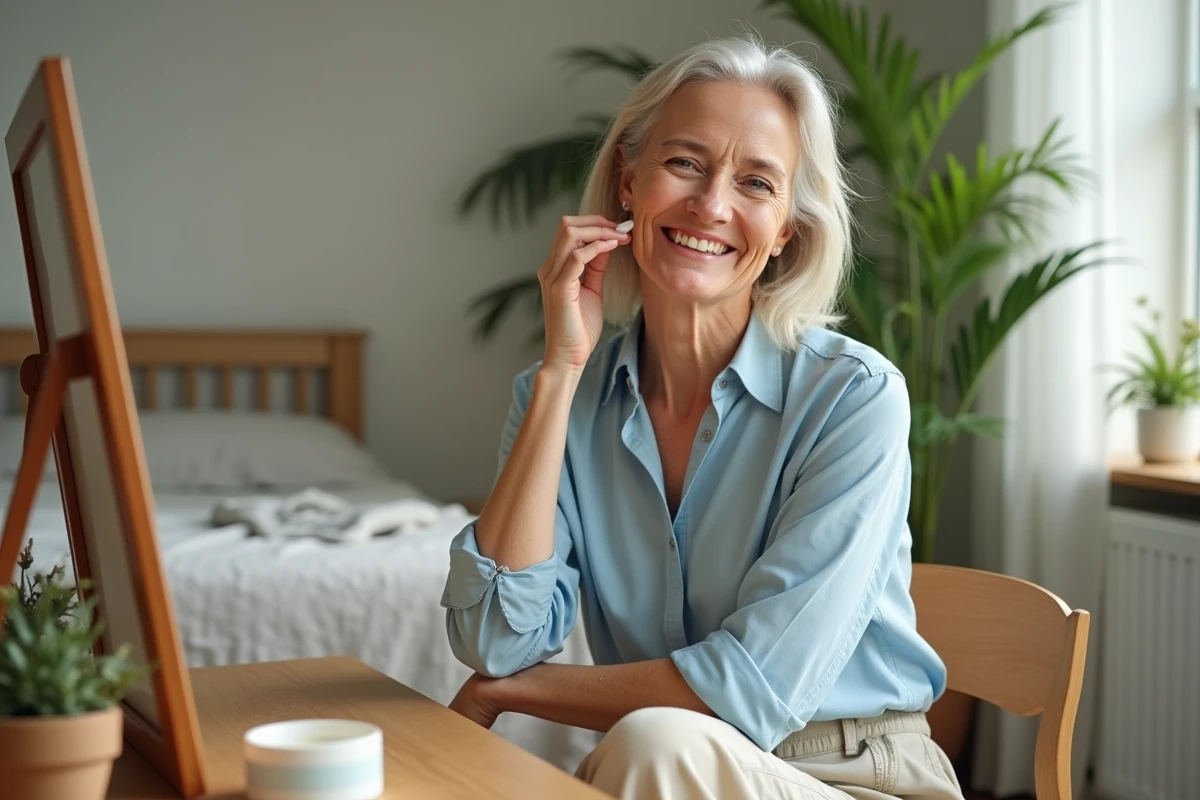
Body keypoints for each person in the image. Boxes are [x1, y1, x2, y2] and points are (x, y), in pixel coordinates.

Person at [440, 34, 965, 800]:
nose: (712, 205)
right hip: (668, 772)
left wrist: (508, 695)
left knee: (654, 744)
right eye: (684, 163)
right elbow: (495, 637)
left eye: (756, 183)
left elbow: (749, 688)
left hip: (855, 778)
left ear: (786, 227)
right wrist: (559, 373)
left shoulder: (854, 398)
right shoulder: (559, 399)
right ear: (628, 181)